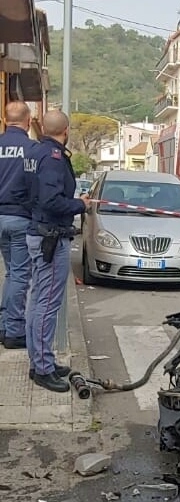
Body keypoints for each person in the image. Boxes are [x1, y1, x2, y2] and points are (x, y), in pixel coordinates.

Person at [25, 110, 88, 392]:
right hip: (51, 237)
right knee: (47, 305)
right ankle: (43, 368)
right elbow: (52, 200)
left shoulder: (34, 152)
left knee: (37, 302)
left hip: (37, 232)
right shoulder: (52, 158)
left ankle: (41, 359)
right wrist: (80, 205)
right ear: (66, 130)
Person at [0, 101, 36, 349]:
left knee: (11, 273)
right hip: (20, 218)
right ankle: (13, 331)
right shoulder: (32, 149)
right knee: (19, 275)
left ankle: (4, 325)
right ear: (29, 120)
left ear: (5, 120)